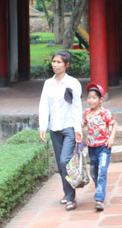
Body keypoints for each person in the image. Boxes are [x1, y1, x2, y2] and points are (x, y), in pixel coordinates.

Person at [38, 50, 83, 211]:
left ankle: (71, 198)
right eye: (54, 62)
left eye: (59, 62)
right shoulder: (48, 84)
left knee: (65, 160)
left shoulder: (73, 83)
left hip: (69, 127)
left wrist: (78, 129)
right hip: (54, 128)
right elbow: (44, 105)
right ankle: (67, 193)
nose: (55, 65)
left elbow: (77, 107)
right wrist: (43, 125)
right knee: (60, 163)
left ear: (67, 65)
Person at [83, 82, 117, 212]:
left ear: (101, 99)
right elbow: (84, 123)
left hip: (104, 147)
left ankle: (99, 199)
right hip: (92, 147)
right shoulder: (87, 113)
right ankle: (99, 187)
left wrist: (111, 138)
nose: (91, 100)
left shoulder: (105, 113)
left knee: (102, 171)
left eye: (94, 97)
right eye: (89, 97)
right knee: (93, 172)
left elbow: (114, 124)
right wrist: (78, 130)